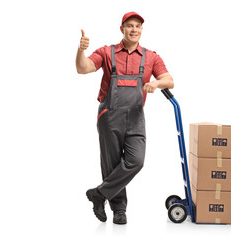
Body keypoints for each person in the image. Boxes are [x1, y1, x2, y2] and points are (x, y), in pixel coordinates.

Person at [76, 12, 174, 224]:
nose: (134, 29)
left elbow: (169, 80)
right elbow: (82, 68)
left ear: (141, 30)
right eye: (129, 26)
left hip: (136, 116)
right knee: (111, 164)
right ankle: (119, 210)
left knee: (136, 161)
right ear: (122, 29)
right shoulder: (107, 52)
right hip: (109, 114)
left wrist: (156, 83)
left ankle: (99, 194)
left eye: (137, 26)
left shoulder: (151, 57)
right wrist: (81, 50)